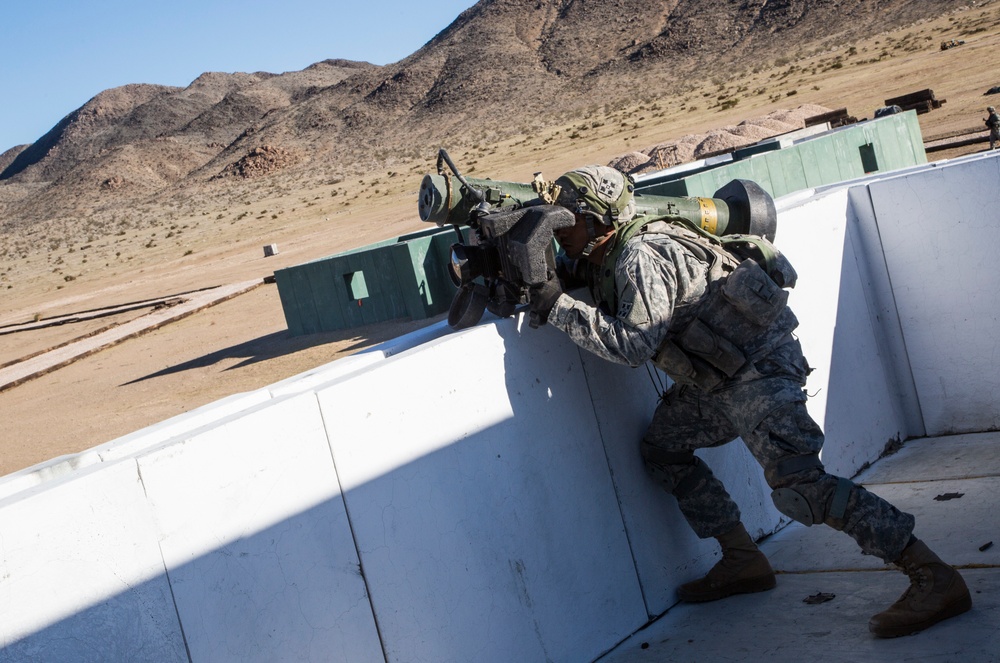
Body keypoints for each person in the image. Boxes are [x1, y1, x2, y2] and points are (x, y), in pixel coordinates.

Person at [527, 165, 972, 638]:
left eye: (565, 222)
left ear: (598, 220)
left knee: (801, 486)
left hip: (761, 373)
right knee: (663, 448)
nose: (559, 234)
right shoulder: (615, 250)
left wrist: (555, 304)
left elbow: (633, 345)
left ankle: (931, 574)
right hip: (723, 381)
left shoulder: (640, 255)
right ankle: (743, 559)